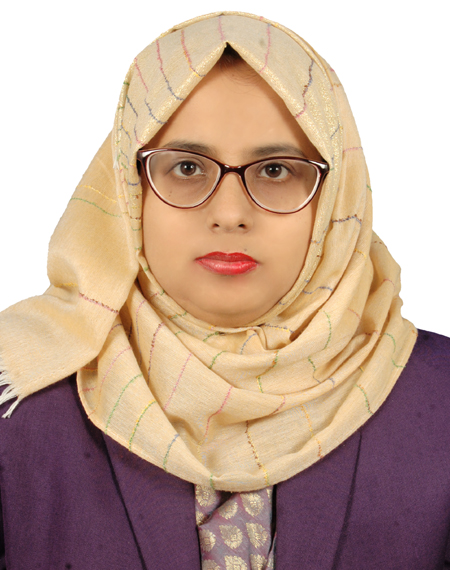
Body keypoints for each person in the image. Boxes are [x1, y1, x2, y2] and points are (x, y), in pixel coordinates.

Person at [0, 11, 449, 570]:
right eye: (187, 167)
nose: (230, 212)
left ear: (337, 197)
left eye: (276, 170)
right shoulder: (18, 400)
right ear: (128, 189)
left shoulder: (440, 399)